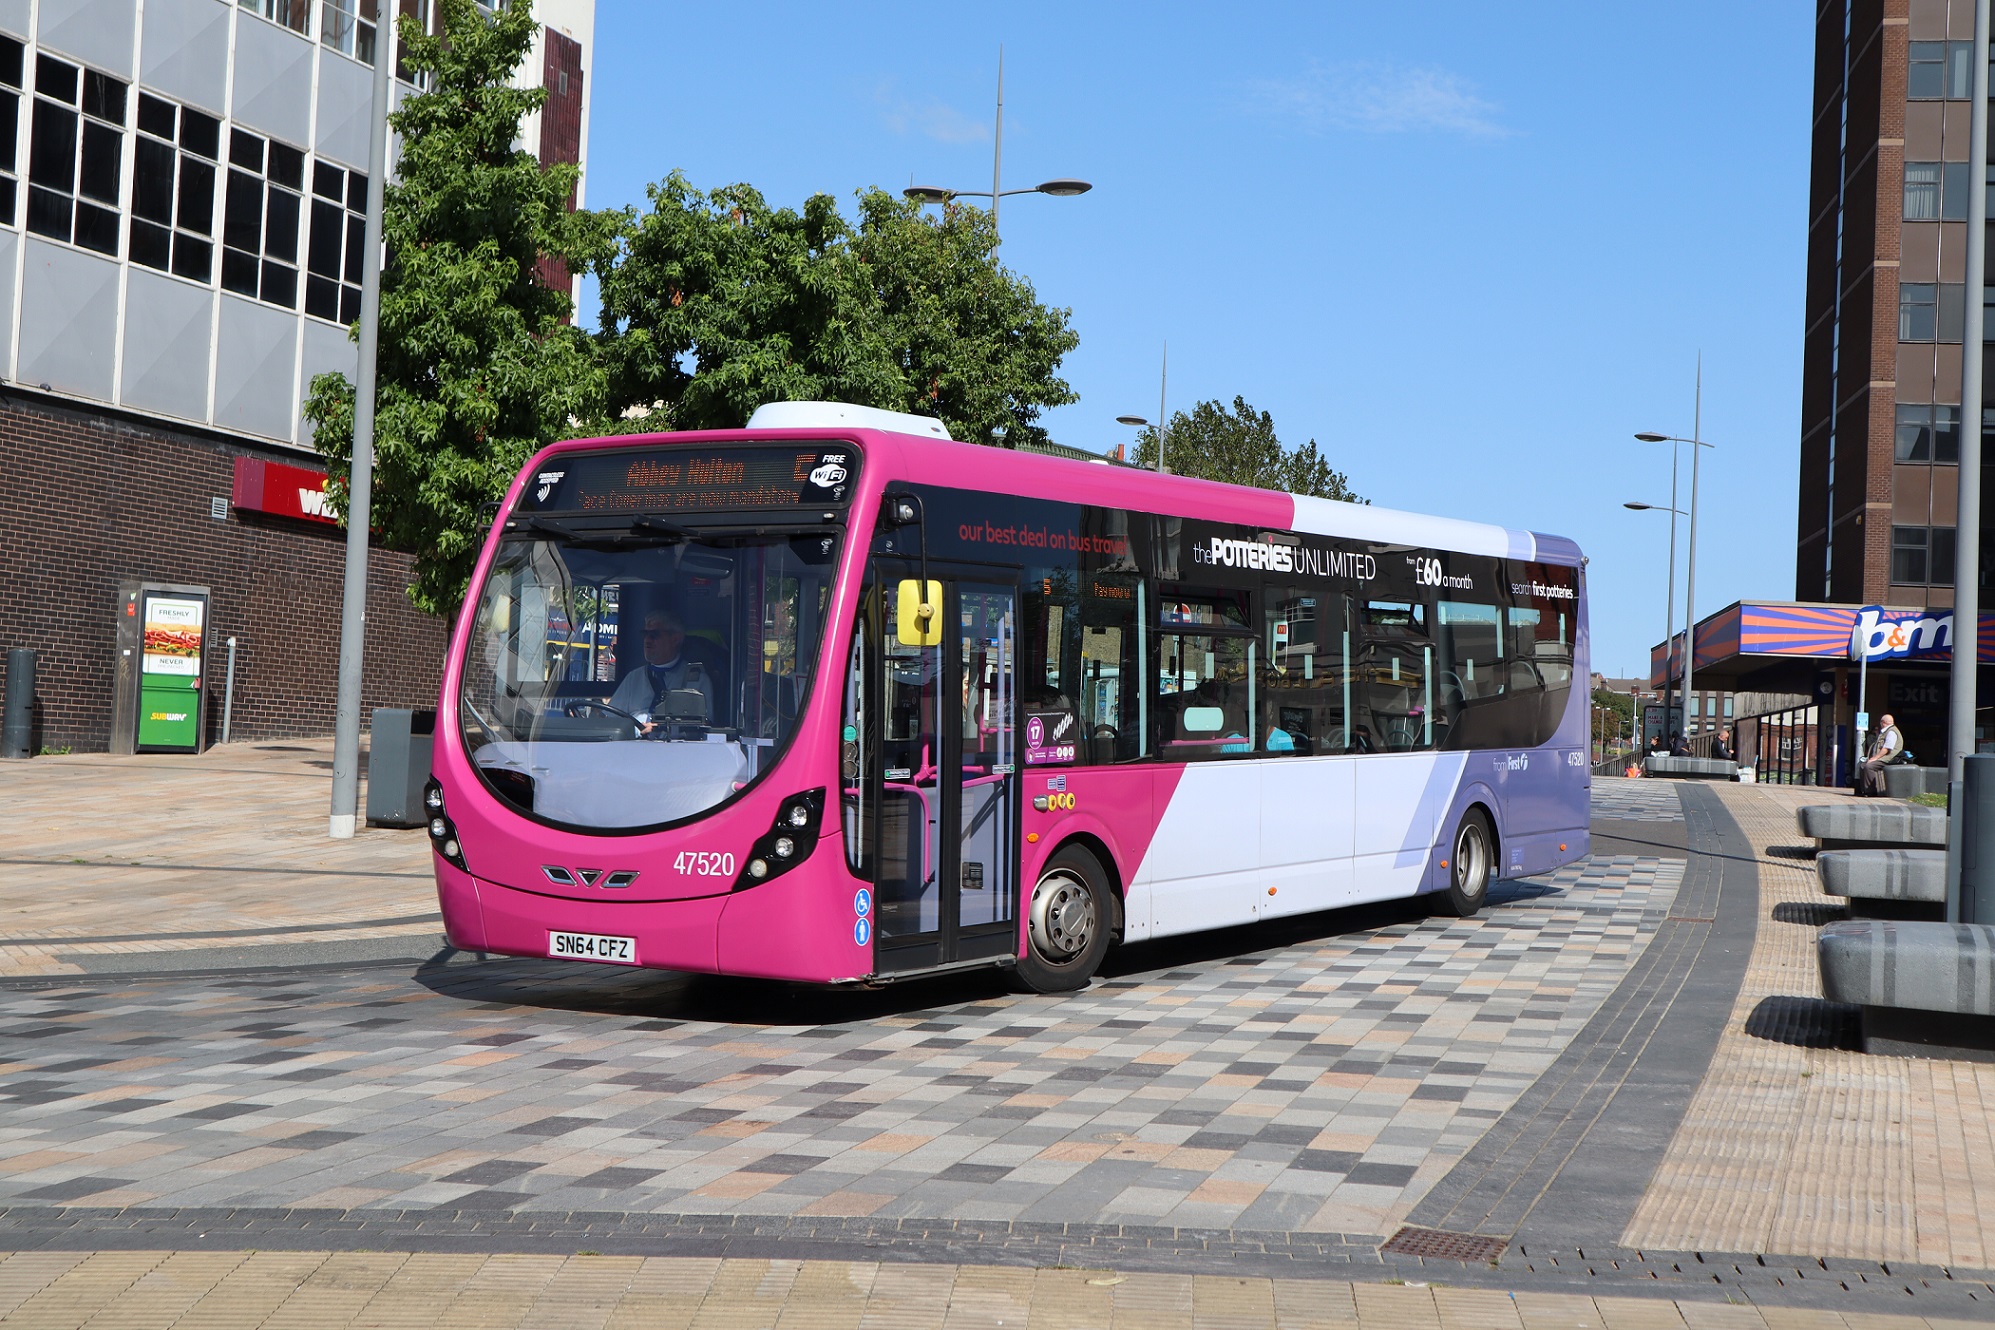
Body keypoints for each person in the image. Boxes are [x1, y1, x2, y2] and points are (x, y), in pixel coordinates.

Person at [608, 609, 712, 726]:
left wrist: (660, 728)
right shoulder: (634, 678)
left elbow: (704, 725)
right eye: (645, 634)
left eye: (654, 635)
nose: (647, 640)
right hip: (632, 741)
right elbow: (610, 719)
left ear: (675, 639)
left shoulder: (696, 679)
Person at [1858, 712, 1904, 796]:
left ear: (1883, 722)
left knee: (1869, 766)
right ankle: (1863, 790)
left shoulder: (1891, 732)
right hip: (1883, 757)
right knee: (1862, 765)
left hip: (1889, 758)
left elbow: (1886, 749)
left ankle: (1871, 791)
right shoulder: (1885, 732)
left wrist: (1875, 758)